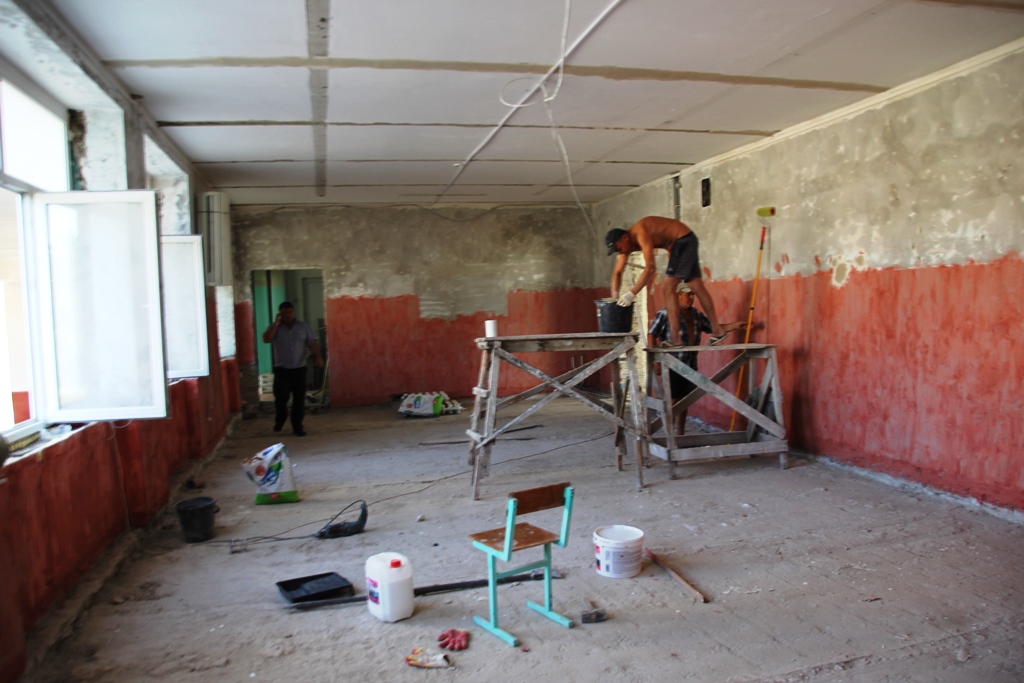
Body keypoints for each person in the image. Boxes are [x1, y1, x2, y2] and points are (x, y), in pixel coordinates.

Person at [606, 215, 725, 346]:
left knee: (667, 287)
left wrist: (632, 293)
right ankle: (717, 330)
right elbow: (617, 272)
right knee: (696, 286)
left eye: (618, 248)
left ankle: (675, 339)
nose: (619, 252)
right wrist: (614, 298)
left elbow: (650, 268)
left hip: (683, 241)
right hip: (683, 242)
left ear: (625, 238)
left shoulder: (640, 232)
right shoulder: (626, 247)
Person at [648, 283, 747, 436]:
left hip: (690, 363)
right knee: (673, 400)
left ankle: (680, 434)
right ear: (678, 295)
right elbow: (652, 334)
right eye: (688, 294)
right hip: (671, 363)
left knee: (685, 400)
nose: (691, 298)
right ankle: (669, 434)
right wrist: (654, 360)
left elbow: (714, 328)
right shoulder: (665, 313)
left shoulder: (695, 314)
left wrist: (735, 325)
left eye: (692, 294)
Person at [262, 301, 324, 436]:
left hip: (299, 368)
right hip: (282, 369)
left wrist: (318, 357)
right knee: (281, 397)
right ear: (280, 313)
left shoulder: (302, 327)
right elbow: (266, 339)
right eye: (284, 313)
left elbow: (312, 342)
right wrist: (276, 323)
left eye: (289, 312)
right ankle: (280, 419)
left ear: (293, 312)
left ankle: (297, 426)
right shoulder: (275, 327)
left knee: (299, 399)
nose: (287, 315)